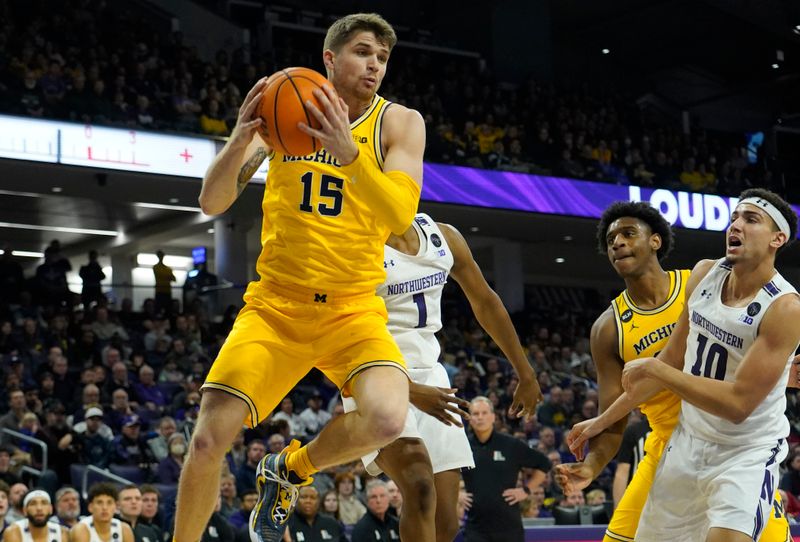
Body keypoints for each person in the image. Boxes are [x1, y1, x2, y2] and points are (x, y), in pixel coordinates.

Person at [176, 11, 425, 542]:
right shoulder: (288, 108)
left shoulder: (399, 122)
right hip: (277, 305)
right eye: (362, 52)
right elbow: (211, 201)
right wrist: (241, 139)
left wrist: (352, 158)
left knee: (386, 419)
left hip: (353, 308)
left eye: (382, 57)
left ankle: (290, 468)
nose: (374, 65)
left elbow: (401, 217)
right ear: (330, 59)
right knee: (206, 439)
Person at [564, 190, 800, 541]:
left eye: (750, 220)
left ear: (777, 239)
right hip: (684, 443)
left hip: (744, 451)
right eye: (734, 218)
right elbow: (672, 358)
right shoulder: (704, 275)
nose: (736, 225)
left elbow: (735, 403)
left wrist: (658, 370)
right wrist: (602, 420)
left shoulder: (785, 307)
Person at [342, 213, 543, 541]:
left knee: (446, 520)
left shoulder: (444, 236)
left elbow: (486, 302)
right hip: (375, 373)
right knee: (419, 486)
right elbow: (340, 335)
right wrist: (408, 390)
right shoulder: (355, 243)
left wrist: (525, 371)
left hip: (432, 374)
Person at [462, 397, 551, 542]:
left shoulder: (510, 445)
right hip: (476, 528)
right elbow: (443, 471)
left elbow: (544, 463)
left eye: (484, 413)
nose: (480, 417)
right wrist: (457, 494)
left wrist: (526, 490)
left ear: (493, 417)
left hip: (509, 528)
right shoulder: (463, 446)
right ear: (469, 419)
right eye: (476, 414)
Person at [70, 483, 134, 542]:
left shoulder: (124, 529)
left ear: (116, 507)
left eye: (109, 503)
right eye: (99, 502)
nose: (104, 507)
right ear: (90, 507)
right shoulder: (81, 530)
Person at [3, 490, 68, 542]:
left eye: (44, 503)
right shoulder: (14, 531)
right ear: (25, 510)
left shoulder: (61, 532)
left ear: (51, 509)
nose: (39, 508)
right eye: (33, 504)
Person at [152, 251, 175, 315]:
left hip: (166, 291)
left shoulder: (168, 268)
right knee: (158, 309)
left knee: (168, 310)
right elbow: (163, 276)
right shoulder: (156, 267)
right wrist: (167, 277)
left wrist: (166, 277)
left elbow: (173, 278)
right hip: (160, 291)